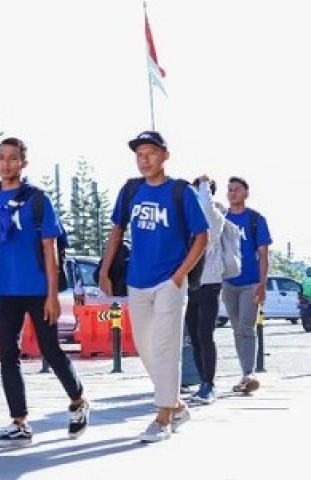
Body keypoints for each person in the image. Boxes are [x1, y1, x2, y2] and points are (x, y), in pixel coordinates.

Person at [0, 137, 90, 448]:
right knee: (8, 355)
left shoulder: (37, 200)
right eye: (1, 158)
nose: (6, 163)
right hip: (6, 291)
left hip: (37, 290)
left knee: (51, 350)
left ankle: (78, 401)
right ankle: (20, 422)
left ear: (23, 163)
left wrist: (52, 295)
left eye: (13, 158)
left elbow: (49, 249)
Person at [98, 131, 208, 443]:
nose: (144, 159)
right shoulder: (130, 190)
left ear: (165, 156)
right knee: (146, 349)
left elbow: (203, 236)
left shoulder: (181, 192)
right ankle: (177, 404)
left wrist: (179, 276)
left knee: (165, 347)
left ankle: (163, 417)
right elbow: (116, 231)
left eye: (150, 153)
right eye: (139, 154)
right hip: (137, 281)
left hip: (169, 282)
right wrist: (105, 270)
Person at [222, 176, 272, 394]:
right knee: (236, 329)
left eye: (237, 189)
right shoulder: (221, 218)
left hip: (250, 282)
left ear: (246, 193)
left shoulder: (255, 219)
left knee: (247, 328)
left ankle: (249, 373)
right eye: (230, 189)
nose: (232, 193)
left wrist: (262, 284)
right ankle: (244, 375)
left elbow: (263, 254)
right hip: (228, 282)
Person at [184, 176, 226, 405]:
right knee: (194, 336)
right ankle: (203, 382)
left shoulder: (215, 216)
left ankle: (209, 384)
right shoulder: (190, 220)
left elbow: (206, 206)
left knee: (205, 334)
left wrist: (204, 185)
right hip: (191, 285)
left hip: (210, 283)